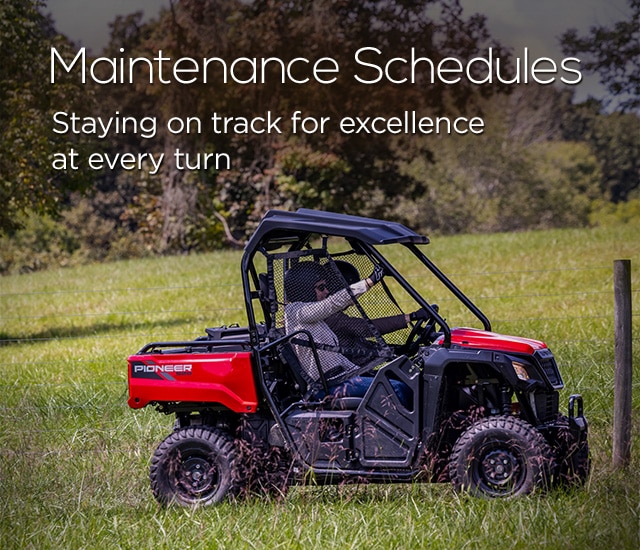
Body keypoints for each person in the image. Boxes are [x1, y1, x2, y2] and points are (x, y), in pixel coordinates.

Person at [283, 260, 419, 407]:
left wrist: (363, 372)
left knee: (401, 379)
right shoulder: (295, 312)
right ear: (305, 290)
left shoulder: (314, 321)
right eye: (321, 287)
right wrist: (369, 282)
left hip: (339, 379)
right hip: (327, 386)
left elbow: (338, 358)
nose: (326, 291)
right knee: (397, 389)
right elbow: (332, 304)